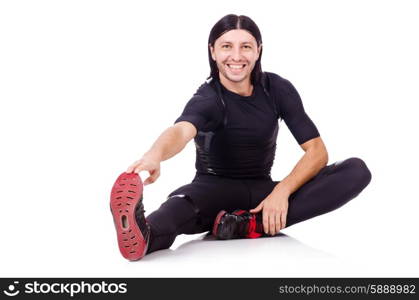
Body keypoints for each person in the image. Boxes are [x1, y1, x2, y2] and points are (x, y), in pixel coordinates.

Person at [110, 14, 372, 261]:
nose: (236, 56)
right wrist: (155, 155)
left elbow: (316, 151)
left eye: (245, 46)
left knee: (356, 171)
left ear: (258, 50)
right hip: (211, 192)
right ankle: (143, 234)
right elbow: (180, 130)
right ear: (212, 51)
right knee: (178, 209)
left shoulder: (277, 89)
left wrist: (281, 192)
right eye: (226, 46)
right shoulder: (208, 98)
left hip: (262, 194)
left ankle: (248, 223)